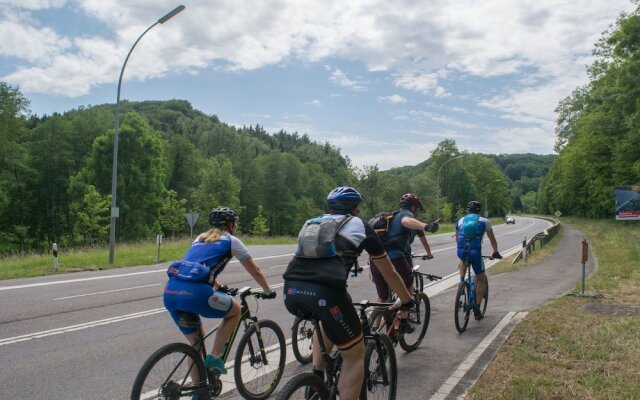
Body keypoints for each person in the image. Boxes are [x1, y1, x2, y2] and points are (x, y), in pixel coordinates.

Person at [283, 186, 414, 400]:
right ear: (354, 209)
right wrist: (407, 299)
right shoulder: (360, 225)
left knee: (324, 316)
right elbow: (389, 271)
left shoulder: (312, 223)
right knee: (354, 355)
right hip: (327, 294)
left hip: (291, 291)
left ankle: (317, 381)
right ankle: (324, 386)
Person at [163, 207, 275, 377]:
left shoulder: (200, 238)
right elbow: (255, 271)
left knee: (196, 346)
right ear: (231, 225)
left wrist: (217, 286)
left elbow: (198, 267)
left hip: (171, 292)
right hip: (196, 294)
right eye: (234, 223)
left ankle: (198, 391)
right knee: (235, 311)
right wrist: (267, 290)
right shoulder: (231, 241)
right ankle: (215, 357)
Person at [370, 193, 439, 315]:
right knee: (408, 282)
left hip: (376, 258)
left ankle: (374, 328)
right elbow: (406, 221)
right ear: (413, 207)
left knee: (382, 296)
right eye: (417, 209)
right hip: (395, 257)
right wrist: (426, 226)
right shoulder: (405, 215)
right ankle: (402, 318)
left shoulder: (390, 218)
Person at [455, 200, 502, 320]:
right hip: (475, 252)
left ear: (468, 210)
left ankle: (461, 283)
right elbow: (492, 239)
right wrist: (495, 251)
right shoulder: (484, 221)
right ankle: (477, 308)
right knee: (481, 279)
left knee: (462, 261)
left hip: (461, 251)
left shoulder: (460, 221)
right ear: (479, 211)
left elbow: (457, 239)